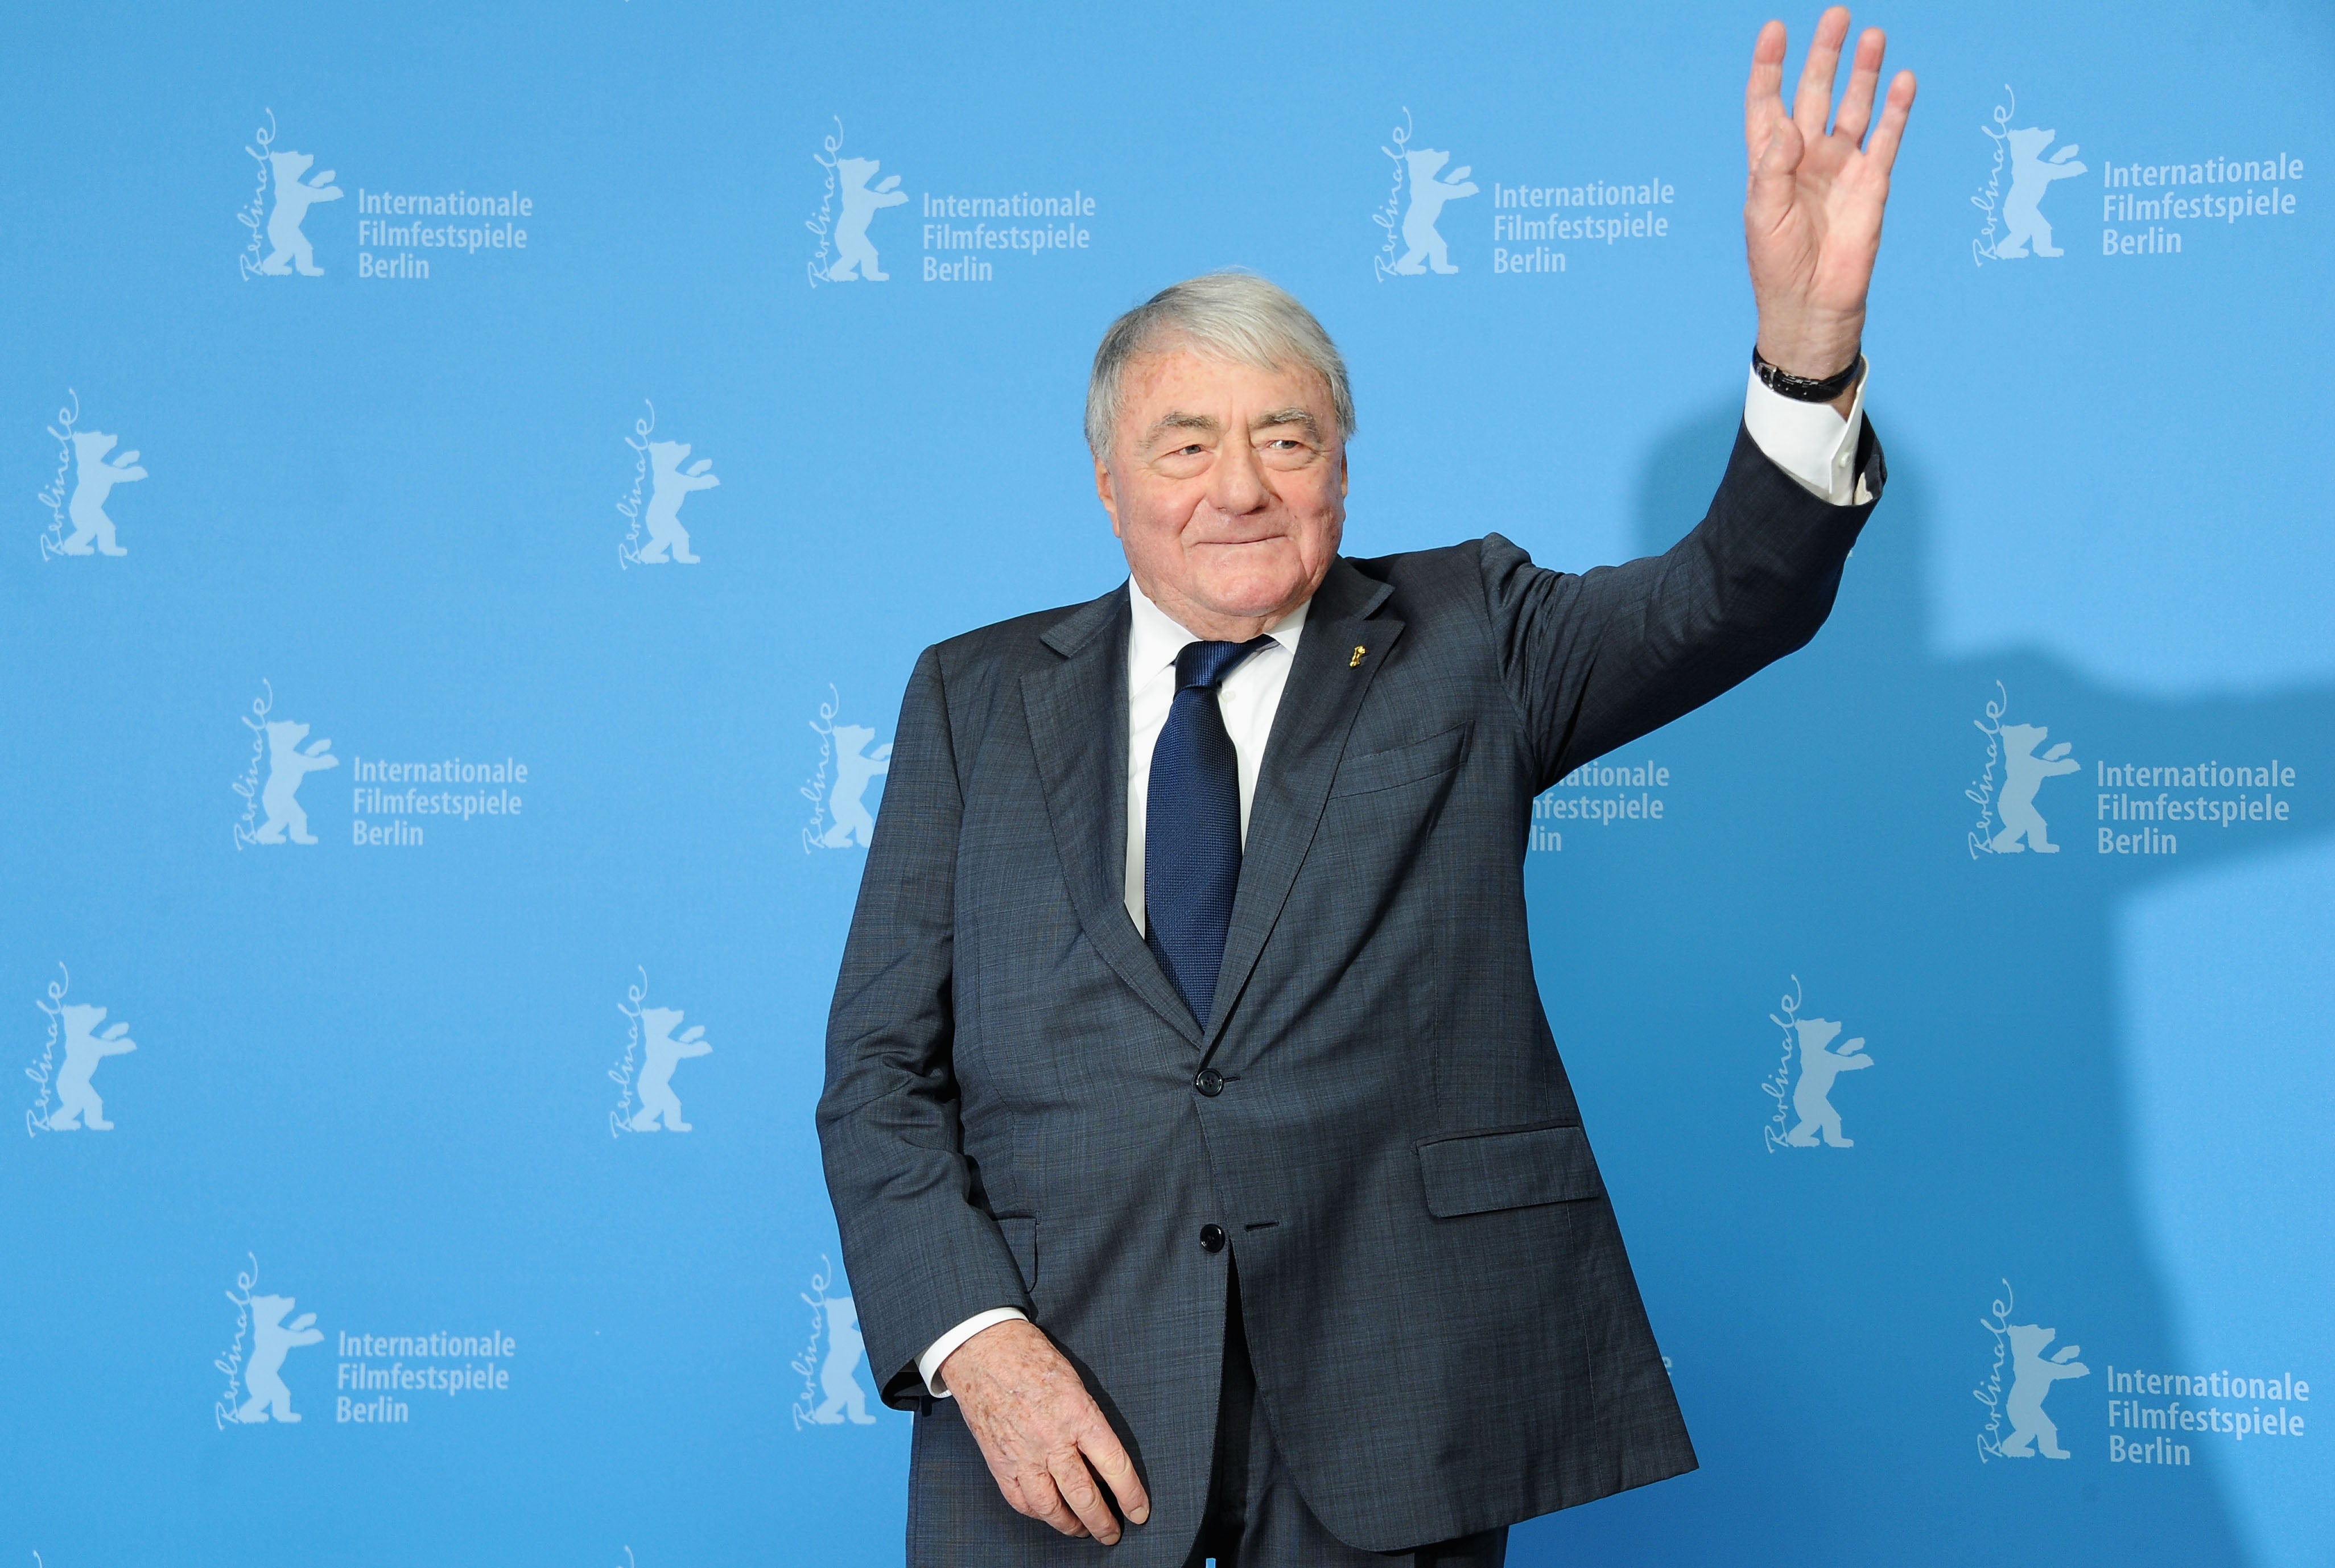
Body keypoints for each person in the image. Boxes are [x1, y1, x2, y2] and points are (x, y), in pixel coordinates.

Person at [818, 11, 1915, 1563]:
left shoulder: (1473, 634)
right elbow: (879, 1071)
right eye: (1185, 445)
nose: (1241, 487)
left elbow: (1731, 595)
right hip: (1053, 1415)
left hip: (1395, 1405)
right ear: (1108, 481)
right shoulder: (970, 696)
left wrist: (1806, 351)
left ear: (1345, 467)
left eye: (1289, 437)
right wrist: (975, 1341)